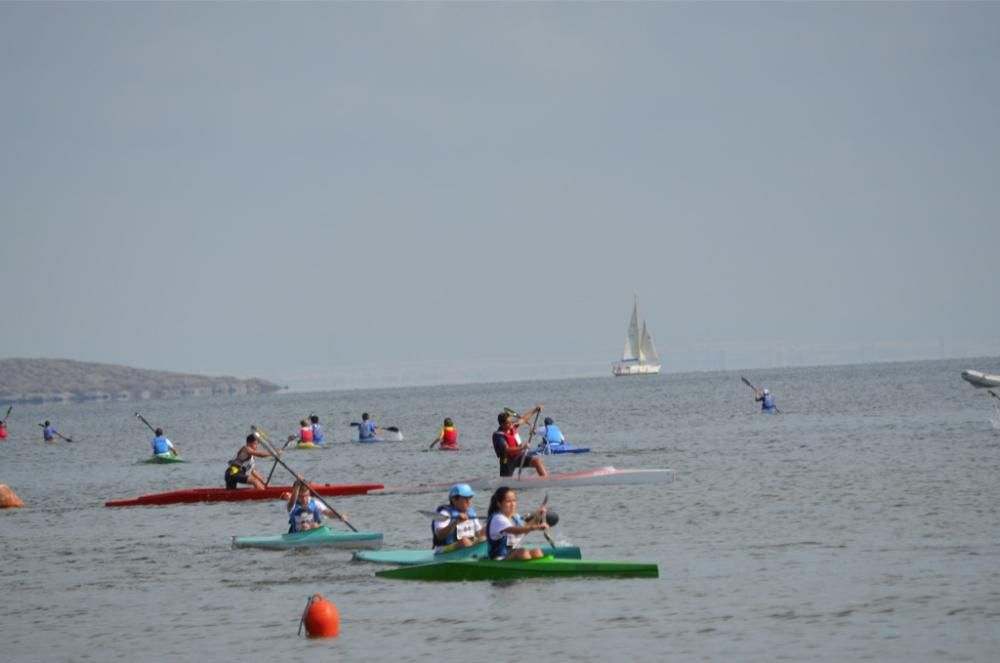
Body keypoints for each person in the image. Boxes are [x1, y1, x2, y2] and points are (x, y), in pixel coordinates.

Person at [485, 486, 549, 560]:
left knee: (537, 551)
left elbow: (525, 528)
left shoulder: (515, 517)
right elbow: (515, 531)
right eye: (508, 501)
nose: (512, 504)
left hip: (512, 554)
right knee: (522, 552)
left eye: (514, 501)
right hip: (499, 558)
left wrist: (538, 516)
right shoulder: (497, 518)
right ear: (499, 504)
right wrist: (535, 527)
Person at [492, 406, 548, 477]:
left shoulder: (512, 426)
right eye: (508, 423)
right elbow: (507, 449)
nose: (511, 424)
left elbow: (524, 419)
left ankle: (546, 479)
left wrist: (535, 410)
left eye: (511, 422)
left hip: (519, 456)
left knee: (536, 461)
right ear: (502, 424)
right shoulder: (499, 435)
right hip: (507, 461)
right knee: (505, 484)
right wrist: (522, 447)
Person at [432, 483, 484, 552]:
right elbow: (439, 535)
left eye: (470, 498)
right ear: (454, 500)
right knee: (464, 541)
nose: (469, 501)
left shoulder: (471, 513)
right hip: (444, 549)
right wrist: (455, 522)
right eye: (465, 498)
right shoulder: (444, 513)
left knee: (483, 539)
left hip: (466, 546)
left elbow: (479, 533)